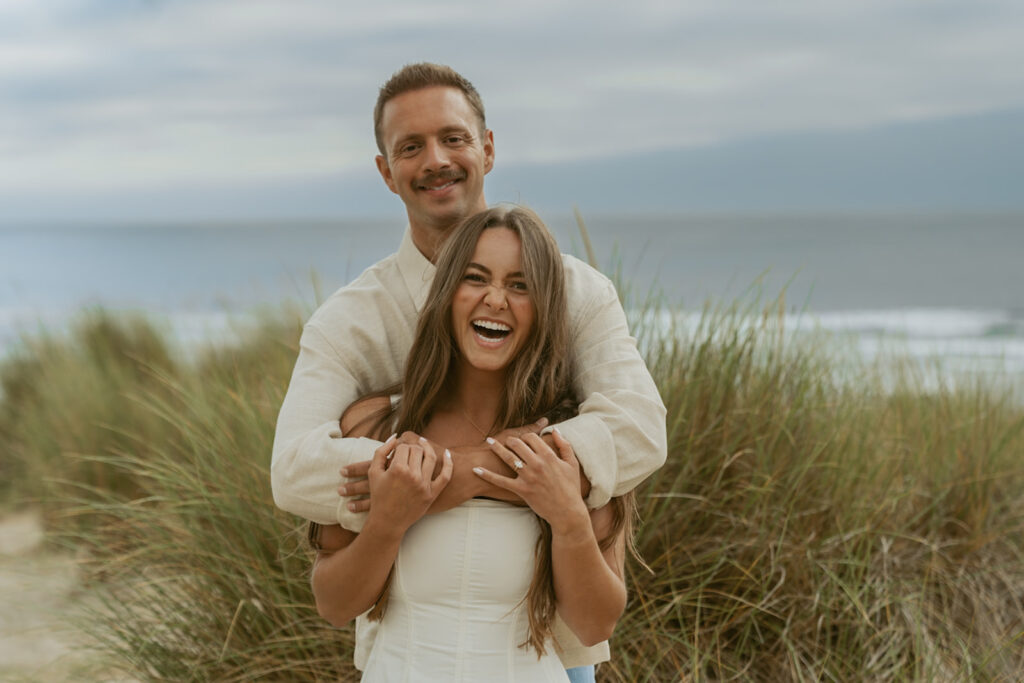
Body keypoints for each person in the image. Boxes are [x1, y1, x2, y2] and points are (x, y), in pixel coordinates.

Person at [271, 63, 667, 681]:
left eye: (453, 138)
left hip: (552, 652)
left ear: (486, 148)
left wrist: (471, 475)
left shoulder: (579, 292)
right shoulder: (350, 321)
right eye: (411, 146)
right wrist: (417, 489)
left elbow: (640, 429)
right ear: (386, 172)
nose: (436, 160)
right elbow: (294, 471)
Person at [310, 206, 634, 682]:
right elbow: (334, 605)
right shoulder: (376, 425)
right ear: (446, 294)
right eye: (475, 278)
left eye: (520, 285)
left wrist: (568, 521)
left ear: (543, 306)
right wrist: (388, 523)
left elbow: (594, 624)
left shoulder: (572, 441)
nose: (496, 299)